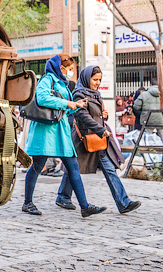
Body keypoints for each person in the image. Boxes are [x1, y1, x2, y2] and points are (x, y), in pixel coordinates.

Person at [22, 54, 106, 218]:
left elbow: (62, 108)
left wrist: (76, 106)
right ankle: (27, 203)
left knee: (73, 167)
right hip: (45, 132)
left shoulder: (62, 83)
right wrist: (68, 103)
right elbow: (43, 98)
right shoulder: (47, 80)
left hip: (60, 131)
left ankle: (85, 206)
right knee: (38, 167)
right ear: (61, 68)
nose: (71, 72)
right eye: (69, 69)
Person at [55, 66, 141, 214]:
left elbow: (95, 114)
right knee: (73, 168)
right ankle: (63, 196)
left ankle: (123, 202)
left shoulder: (95, 94)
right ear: (86, 78)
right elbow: (82, 116)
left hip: (98, 139)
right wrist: (101, 129)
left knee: (109, 170)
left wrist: (104, 116)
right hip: (83, 138)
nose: (97, 82)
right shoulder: (79, 94)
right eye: (95, 79)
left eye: (99, 80)